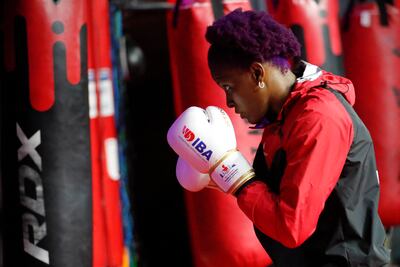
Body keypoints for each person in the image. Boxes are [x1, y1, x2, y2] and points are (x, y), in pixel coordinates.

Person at [204, 8, 390, 267]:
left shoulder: (318, 117)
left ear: (258, 74)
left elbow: (292, 226)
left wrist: (235, 177)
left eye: (228, 87)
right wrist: (217, 172)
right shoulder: (284, 115)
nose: (228, 102)